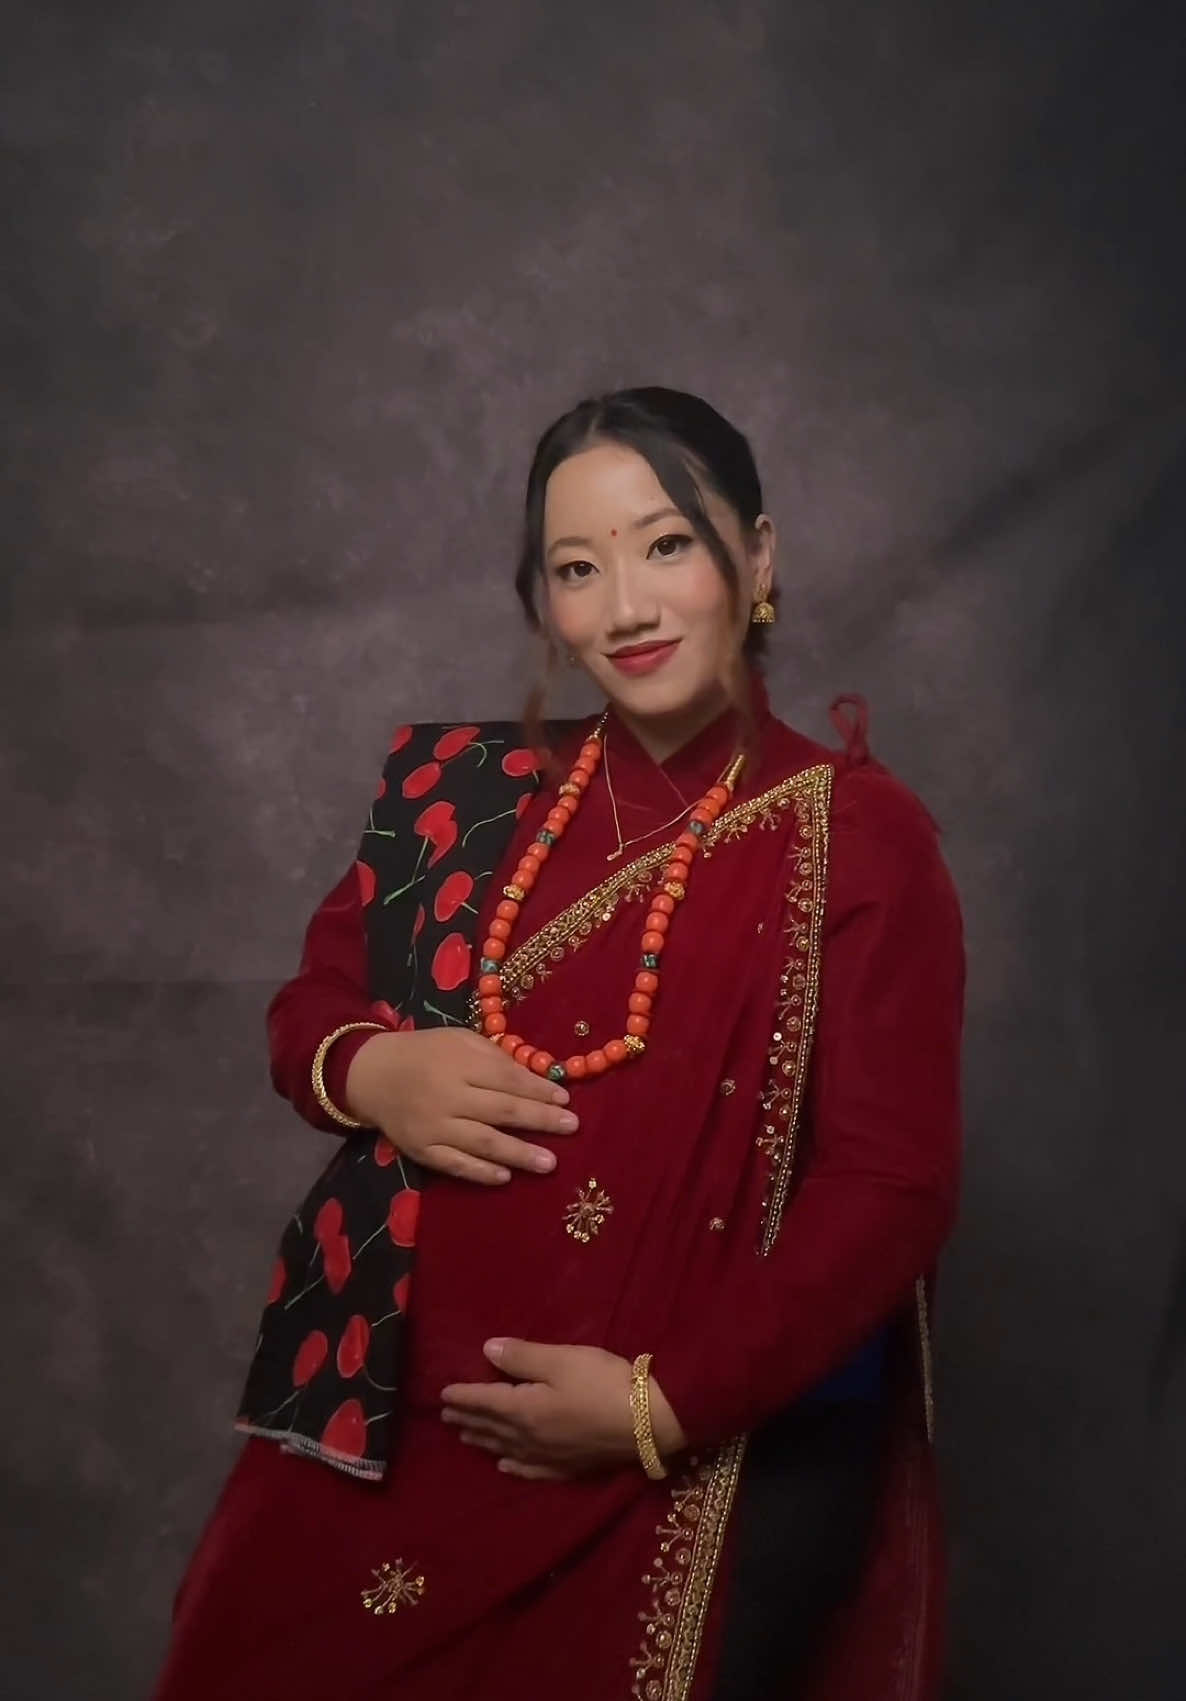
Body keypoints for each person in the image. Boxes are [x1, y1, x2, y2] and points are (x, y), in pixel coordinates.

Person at [152, 387, 965, 1701]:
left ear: (757, 557)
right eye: (577, 569)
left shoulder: (858, 836)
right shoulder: (464, 798)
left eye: (667, 545)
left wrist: (660, 1406)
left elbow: (892, 1186)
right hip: (386, 1428)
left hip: (686, 1454)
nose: (626, 607)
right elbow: (311, 1005)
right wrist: (371, 1068)